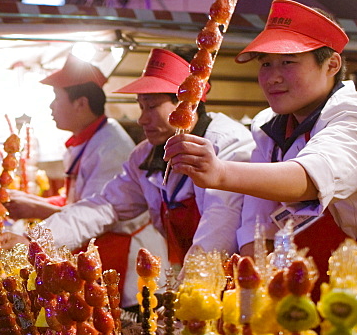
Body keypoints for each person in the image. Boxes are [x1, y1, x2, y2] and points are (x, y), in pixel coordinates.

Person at [165, 0, 357, 303]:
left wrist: (221, 172)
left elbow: (308, 178)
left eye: (287, 62)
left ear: (331, 65)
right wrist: (253, 298)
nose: (272, 77)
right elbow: (257, 220)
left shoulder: (356, 111)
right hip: (293, 287)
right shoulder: (267, 124)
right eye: (265, 64)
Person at [29, 48, 254, 277]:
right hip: (187, 277)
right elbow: (104, 205)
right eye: (141, 106)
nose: (142, 119)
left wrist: (192, 289)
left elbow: (219, 228)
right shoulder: (145, 155)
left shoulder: (226, 144)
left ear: (188, 102)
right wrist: (36, 240)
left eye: (152, 106)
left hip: (233, 279)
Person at [2, 54, 160, 304]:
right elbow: (84, 201)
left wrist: (35, 216)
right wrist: (34, 204)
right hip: (95, 253)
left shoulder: (111, 148)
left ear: (81, 103)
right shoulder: (89, 140)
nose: (51, 107)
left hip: (121, 263)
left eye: (56, 98)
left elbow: (98, 214)